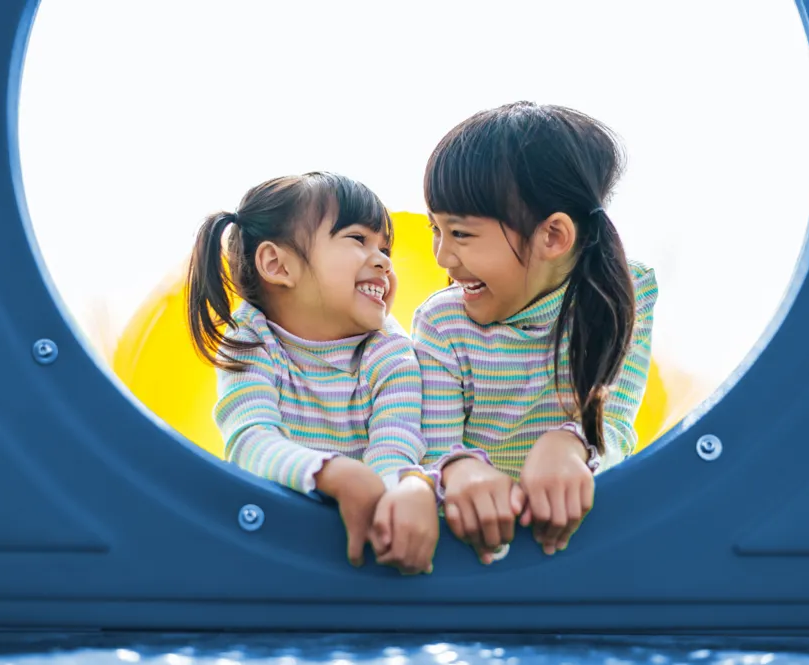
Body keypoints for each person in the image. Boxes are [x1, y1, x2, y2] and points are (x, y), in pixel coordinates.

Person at [413, 102, 659, 563]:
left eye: (461, 234)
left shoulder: (626, 293)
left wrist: (567, 444)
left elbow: (616, 425)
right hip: (475, 548)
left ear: (553, 237)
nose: (443, 257)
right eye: (436, 230)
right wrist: (462, 472)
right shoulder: (443, 323)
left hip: (580, 545)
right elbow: (434, 444)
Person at [186, 172, 438, 574]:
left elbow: (396, 446)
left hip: (359, 550)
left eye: (385, 247)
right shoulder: (251, 342)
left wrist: (392, 500)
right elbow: (249, 443)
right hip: (271, 546)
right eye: (358, 239)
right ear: (277, 264)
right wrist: (332, 473)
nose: (384, 260)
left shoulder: (390, 351)